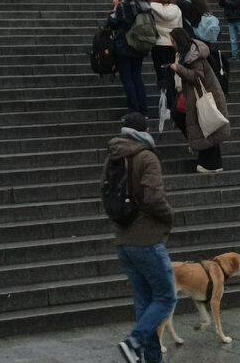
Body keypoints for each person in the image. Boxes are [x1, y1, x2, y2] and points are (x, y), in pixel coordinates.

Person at [103, 111, 175, 363]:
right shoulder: (146, 156)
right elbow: (154, 198)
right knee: (166, 297)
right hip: (146, 239)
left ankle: (151, 359)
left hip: (123, 240)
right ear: (144, 131)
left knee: (145, 303)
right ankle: (133, 343)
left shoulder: (113, 157)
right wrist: (169, 216)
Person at [169, 27, 229, 174]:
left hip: (204, 96)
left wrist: (178, 69)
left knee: (206, 127)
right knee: (206, 127)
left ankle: (210, 164)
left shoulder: (193, 56)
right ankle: (212, 164)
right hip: (199, 96)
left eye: (172, 41)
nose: (171, 44)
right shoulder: (189, 53)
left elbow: (197, 77)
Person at [108, 0, 153, 116]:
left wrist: (115, 8)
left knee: (127, 78)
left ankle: (134, 110)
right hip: (139, 45)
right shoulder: (146, 6)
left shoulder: (125, 5)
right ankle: (143, 109)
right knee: (137, 77)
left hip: (124, 46)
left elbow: (113, 22)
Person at [150, 0, 182, 94]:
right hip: (172, 46)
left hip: (158, 45)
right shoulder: (177, 10)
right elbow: (180, 29)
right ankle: (173, 103)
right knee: (173, 76)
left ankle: (164, 103)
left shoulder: (151, 9)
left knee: (161, 76)